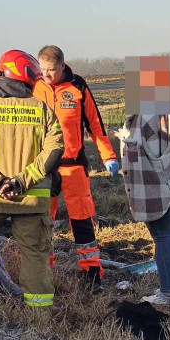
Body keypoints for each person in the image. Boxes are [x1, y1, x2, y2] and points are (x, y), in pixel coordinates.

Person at [0, 50, 63, 307]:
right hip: (32, 200)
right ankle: (39, 311)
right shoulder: (43, 111)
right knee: (35, 253)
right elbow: (55, 150)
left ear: (2, 73)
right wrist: (21, 182)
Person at [33, 45, 118, 291]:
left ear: (62, 65)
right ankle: (42, 272)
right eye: (42, 69)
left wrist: (108, 156)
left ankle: (92, 274)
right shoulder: (34, 88)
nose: (46, 74)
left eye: (51, 69)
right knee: (41, 221)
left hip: (73, 167)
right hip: (42, 169)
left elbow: (96, 126)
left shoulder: (78, 87)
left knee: (82, 220)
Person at [118, 96, 170, 305]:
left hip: (158, 187)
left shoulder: (151, 112)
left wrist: (126, 137)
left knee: (164, 237)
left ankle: (167, 293)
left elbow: (151, 149)